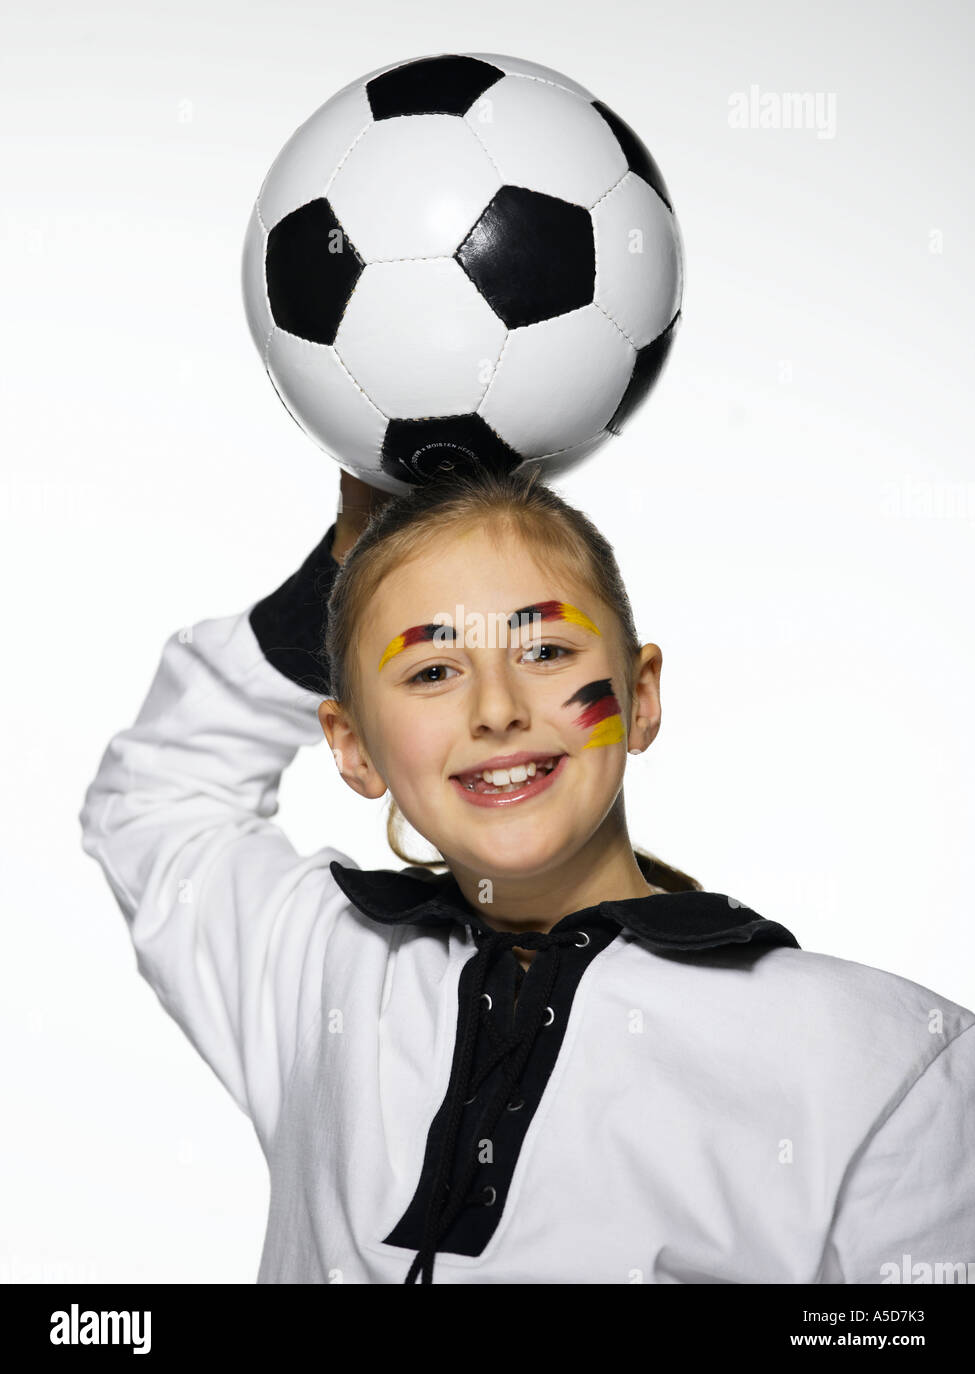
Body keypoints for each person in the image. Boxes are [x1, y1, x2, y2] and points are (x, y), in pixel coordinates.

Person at [79, 463, 975, 1285]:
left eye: (545, 652)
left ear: (640, 696)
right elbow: (153, 797)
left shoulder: (889, 1056)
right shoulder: (316, 963)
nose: (497, 710)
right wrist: (352, 543)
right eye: (432, 670)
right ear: (352, 750)